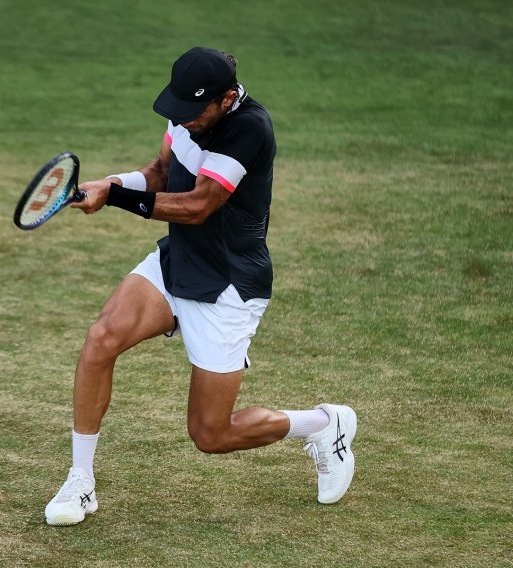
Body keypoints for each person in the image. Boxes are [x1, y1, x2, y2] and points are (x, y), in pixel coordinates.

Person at [44, 47, 357, 526]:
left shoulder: (250, 128)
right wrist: (108, 184)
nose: (183, 121)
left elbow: (198, 205)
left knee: (211, 434)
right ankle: (80, 482)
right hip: (179, 261)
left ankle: (322, 424)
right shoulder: (187, 116)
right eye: (177, 111)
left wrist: (116, 199)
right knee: (100, 339)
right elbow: (160, 172)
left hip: (229, 282)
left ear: (227, 98)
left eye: (193, 112)